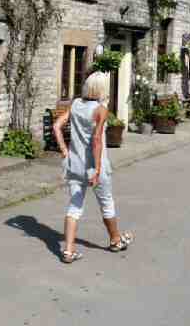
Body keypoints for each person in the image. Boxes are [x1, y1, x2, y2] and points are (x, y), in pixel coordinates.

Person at [52, 71, 133, 264]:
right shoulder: (100, 109)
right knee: (106, 202)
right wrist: (96, 169)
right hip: (94, 165)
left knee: (75, 205)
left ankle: (68, 250)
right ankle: (115, 240)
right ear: (103, 89)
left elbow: (56, 126)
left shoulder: (76, 104)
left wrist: (64, 150)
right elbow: (97, 140)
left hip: (74, 164)